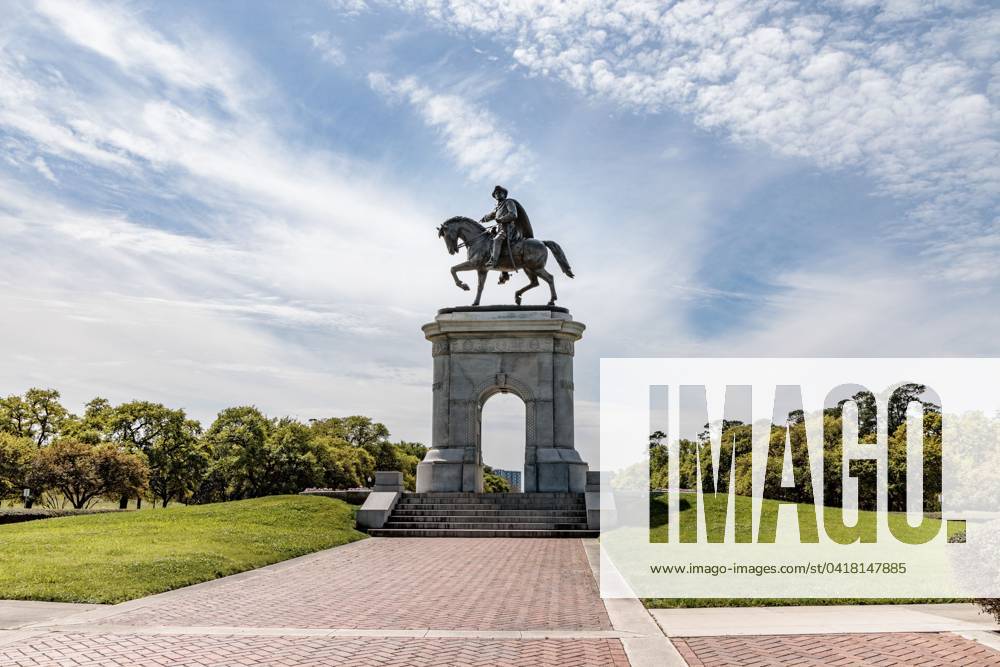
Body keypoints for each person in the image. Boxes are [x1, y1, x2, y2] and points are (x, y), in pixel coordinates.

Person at [480, 185, 534, 269]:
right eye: (496, 193)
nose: (498, 194)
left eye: (500, 192)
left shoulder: (508, 202)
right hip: (500, 229)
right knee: (488, 239)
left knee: (497, 240)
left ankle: (493, 262)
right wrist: (483, 219)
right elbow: (491, 215)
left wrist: (501, 219)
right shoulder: (497, 207)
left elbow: (513, 214)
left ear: (504, 195)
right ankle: (504, 271)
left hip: (509, 229)